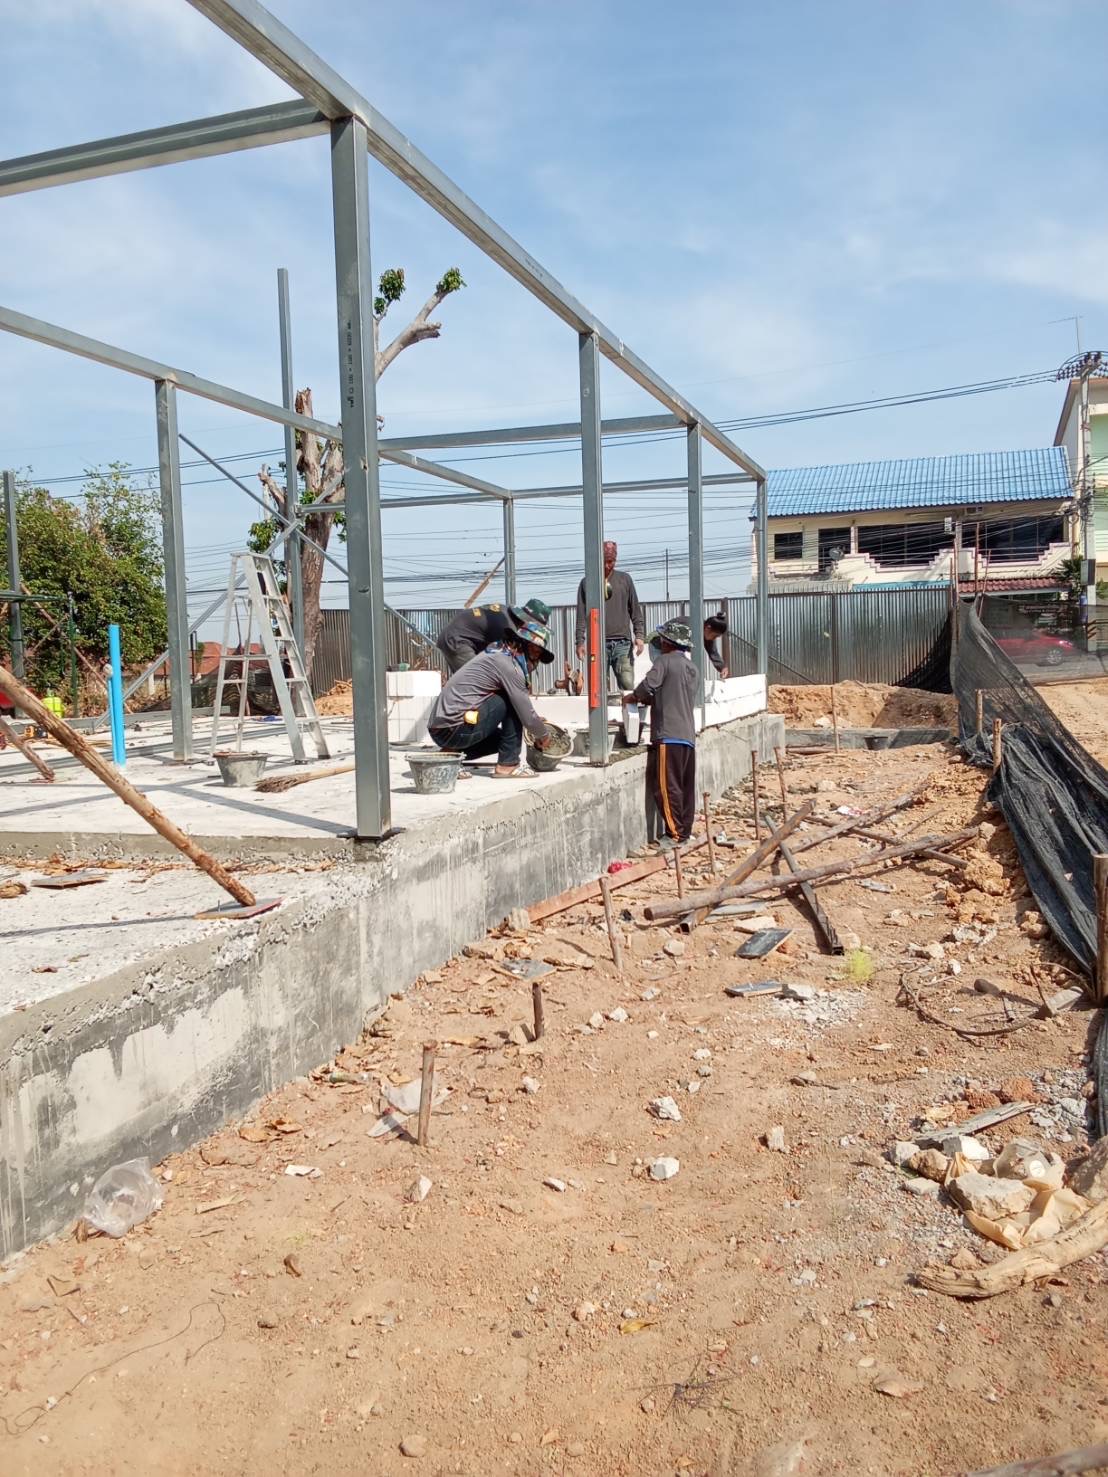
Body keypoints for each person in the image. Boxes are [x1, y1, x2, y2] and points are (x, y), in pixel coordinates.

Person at [428, 619, 556, 778]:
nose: (536, 660)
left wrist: (533, 721)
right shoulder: (510, 665)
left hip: (442, 730)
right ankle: (508, 765)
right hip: (453, 728)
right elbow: (526, 715)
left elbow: (527, 715)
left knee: (502, 741)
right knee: (511, 701)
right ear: (527, 646)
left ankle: (449, 757)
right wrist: (543, 734)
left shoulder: (496, 651)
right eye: (536, 653)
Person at [623, 618, 698, 849]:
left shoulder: (664, 662)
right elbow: (673, 695)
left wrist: (632, 697)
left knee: (667, 787)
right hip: (687, 736)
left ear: (667, 642)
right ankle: (685, 831)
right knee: (685, 788)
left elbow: (647, 686)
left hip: (669, 735)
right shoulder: (692, 668)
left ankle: (674, 835)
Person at [574, 541, 644, 691]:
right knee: (599, 690)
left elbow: (635, 610)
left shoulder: (624, 580)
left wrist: (639, 635)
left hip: (623, 644)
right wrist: (580, 642)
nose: (607, 566)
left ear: (615, 560)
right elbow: (581, 616)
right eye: (604, 561)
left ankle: (628, 707)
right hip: (598, 644)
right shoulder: (587, 583)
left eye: (610, 561)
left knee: (627, 685)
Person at [436, 597, 551, 675]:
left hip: (462, 636)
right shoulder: (506, 627)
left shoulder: (505, 613)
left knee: (469, 679)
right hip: (458, 639)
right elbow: (506, 662)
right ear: (529, 621)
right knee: (478, 678)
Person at [703, 612, 729, 679]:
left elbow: (713, 652)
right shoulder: (688, 629)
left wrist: (722, 667)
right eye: (715, 636)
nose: (714, 639)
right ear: (708, 628)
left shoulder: (706, 633)